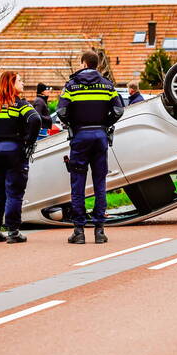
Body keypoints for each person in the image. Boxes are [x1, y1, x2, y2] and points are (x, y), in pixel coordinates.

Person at [57, 50, 124, 244]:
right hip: (100, 136)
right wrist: (105, 123)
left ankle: (79, 231)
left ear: (84, 64)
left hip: (80, 137)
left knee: (77, 183)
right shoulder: (107, 85)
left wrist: (72, 124)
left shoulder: (71, 85)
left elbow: (61, 111)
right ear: (96, 65)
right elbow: (119, 110)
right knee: (99, 183)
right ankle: (99, 231)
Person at [0, 71, 41, 244]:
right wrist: (29, 142)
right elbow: (35, 120)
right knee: (14, 192)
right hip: (13, 149)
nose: (23, 84)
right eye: (20, 81)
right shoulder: (19, 104)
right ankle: (13, 232)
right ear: (11, 84)